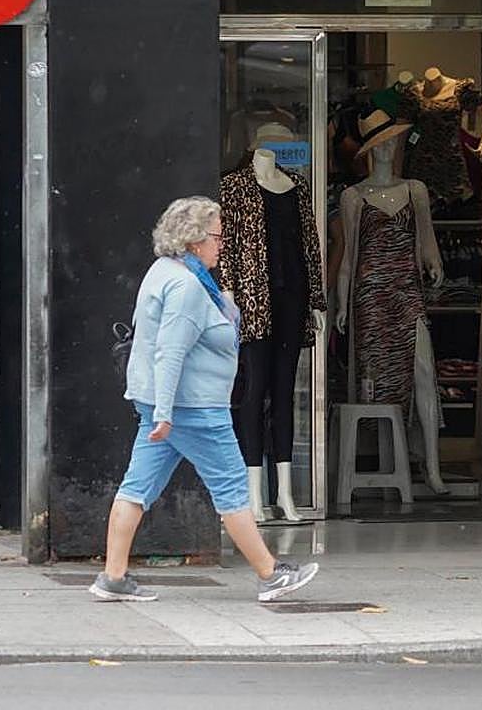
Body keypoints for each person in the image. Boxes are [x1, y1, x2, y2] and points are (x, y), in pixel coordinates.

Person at [90, 196, 320, 603]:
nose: (221, 244)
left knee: (137, 488)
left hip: (165, 406)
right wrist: (165, 413)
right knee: (231, 489)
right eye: (216, 236)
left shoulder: (163, 272)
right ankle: (270, 574)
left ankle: (113, 577)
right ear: (195, 241)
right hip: (193, 409)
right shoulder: (186, 287)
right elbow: (171, 350)